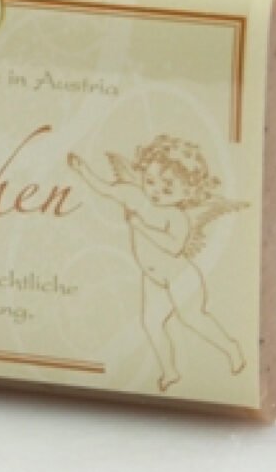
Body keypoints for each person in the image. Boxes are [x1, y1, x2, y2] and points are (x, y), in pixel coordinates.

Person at [68, 135, 246, 391]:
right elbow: (106, 189)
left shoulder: (176, 216)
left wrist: (141, 227)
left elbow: (174, 247)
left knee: (193, 317)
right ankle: (169, 371)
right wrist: (83, 170)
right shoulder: (134, 195)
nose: (155, 192)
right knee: (151, 323)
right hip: (152, 278)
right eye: (150, 181)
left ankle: (231, 348)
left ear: (188, 192)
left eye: (167, 190)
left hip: (179, 275)